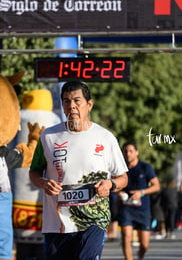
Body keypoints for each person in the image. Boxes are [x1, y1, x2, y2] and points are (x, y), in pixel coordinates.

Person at [29, 80, 128, 260]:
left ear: (89, 105)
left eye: (77, 101)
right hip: (57, 223)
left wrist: (110, 184)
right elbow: (34, 172)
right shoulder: (48, 137)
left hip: (94, 221)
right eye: (67, 102)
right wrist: (43, 183)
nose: (72, 106)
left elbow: (123, 177)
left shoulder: (105, 138)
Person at [117, 142, 160, 260]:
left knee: (145, 244)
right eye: (125, 151)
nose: (128, 154)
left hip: (143, 209)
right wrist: (118, 193)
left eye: (131, 151)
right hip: (126, 208)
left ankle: (141, 254)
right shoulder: (121, 169)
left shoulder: (146, 167)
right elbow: (114, 186)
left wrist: (141, 193)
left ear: (137, 152)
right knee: (126, 236)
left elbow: (156, 186)